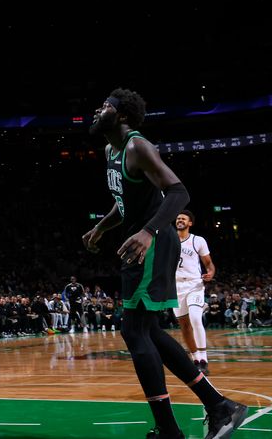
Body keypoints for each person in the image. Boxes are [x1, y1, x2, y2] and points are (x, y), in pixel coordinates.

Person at [82, 88, 246, 439]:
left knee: (134, 330)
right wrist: (100, 227)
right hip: (140, 241)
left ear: (122, 116)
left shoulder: (138, 146)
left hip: (153, 243)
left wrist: (148, 232)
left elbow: (178, 193)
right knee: (150, 331)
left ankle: (172, 429)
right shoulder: (111, 150)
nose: (98, 110)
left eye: (105, 107)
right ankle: (219, 406)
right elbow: (122, 202)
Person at [173, 209, 216, 376]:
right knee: (184, 326)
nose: (180, 220)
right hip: (175, 287)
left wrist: (210, 273)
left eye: (183, 218)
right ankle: (196, 359)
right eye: (178, 218)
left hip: (194, 284)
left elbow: (209, 264)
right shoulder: (169, 241)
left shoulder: (198, 240)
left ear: (190, 223)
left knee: (196, 318)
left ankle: (204, 359)